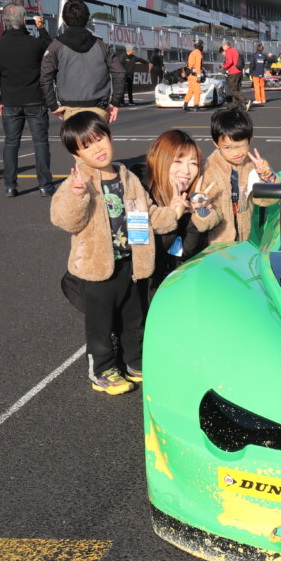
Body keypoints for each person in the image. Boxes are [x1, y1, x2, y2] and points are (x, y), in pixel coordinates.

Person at [50, 112, 182, 394]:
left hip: (131, 265)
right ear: (76, 154)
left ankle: (135, 362)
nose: (97, 149)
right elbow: (65, 220)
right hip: (97, 271)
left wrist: (174, 212)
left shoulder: (128, 177)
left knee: (134, 319)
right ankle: (102, 370)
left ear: (110, 137)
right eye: (86, 146)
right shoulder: (78, 182)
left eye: (100, 139)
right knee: (100, 325)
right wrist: (77, 195)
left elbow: (148, 214)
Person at [142, 129, 219, 296]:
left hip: (176, 290)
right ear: (160, 161)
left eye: (193, 163)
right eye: (178, 161)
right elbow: (146, 256)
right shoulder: (140, 198)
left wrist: (199, 217)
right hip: (144, 295)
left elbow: (184, 254)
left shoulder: (191, 199)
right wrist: (171, 217)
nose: (187, 171)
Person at [0, 5, 53, 198]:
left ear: (5, 22)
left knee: (11, 143)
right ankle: (45, 185)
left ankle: (10, 185)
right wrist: (41, 29)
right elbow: (51, 49)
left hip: (10, 101)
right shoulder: (35, 43)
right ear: (24, 20)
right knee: (40, 142)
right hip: (35, 99)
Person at [201, 107, 281, 243]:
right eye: (227, 147)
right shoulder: (208, 169)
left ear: (250, 138)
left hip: (247, 240)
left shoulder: (255, 166)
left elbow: (267, 200)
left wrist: (266, 177)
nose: (236, 153)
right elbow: (204, 219)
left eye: (241, 146)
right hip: (217, 244)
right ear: (216, 143)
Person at [40, 0, 124, 123]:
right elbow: (119, 73)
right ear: (87, 21)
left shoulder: (55, 47)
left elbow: (45, 76)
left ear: (64, 21)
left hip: (69, 109)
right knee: (98, 136)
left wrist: (53, 105)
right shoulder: (102, 46)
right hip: (99, 108)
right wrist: (115, 102)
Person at [220, 39, 245, 108]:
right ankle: (235, 105)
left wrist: (223, 66)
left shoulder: (229, 51)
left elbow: (229, 62)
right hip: (239, 71)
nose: (223, 48)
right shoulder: (234, 50)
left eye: (223, 46)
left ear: (225, 45)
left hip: (234, 72)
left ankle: (245, 101)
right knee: (236, 89)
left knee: (232, 89)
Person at [185, 40, 205, 110]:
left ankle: (185, 104)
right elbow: (198, 65)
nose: (203, 46)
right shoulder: (198, 53)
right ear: (200, 46)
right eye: (202, 45)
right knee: (197, 91)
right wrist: (199, 75)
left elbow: (188, 64)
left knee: (191, 90)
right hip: (195, 74)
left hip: (189, 74)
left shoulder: (192, 52)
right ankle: (196, 106)